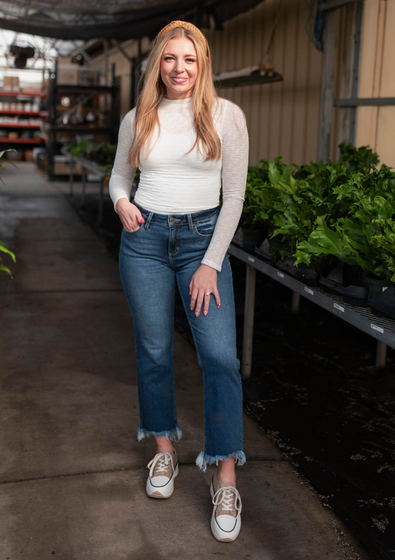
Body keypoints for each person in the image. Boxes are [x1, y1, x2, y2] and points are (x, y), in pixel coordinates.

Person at [109, 20, 249, 543]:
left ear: (202, 63)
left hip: (201, 243)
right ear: (158, 66)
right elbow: (122, 176)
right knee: (154, 349)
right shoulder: (138, 117)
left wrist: (212, 261)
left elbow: (233, 196)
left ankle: (225, 474)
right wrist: (122, 201)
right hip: (143, 241)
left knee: (219, 356)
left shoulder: (226, 116)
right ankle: (164, 450)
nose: (179, 69)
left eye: (189, 59)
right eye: (170, 59)